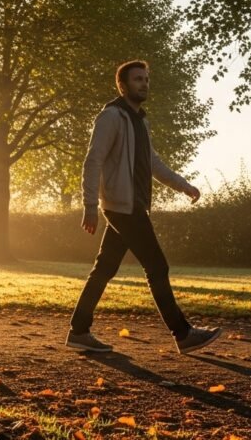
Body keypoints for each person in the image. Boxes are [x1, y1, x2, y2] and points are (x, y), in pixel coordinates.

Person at [66, 60, 222, 354]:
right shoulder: (111, 117)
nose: (144, 83)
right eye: (138, 79)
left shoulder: (140, 121)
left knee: (105, 268)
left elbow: (153, 163)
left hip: (133, 205)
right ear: (123, 85)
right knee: (157, 266)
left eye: (147, 79)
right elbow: (93, 160)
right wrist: (89, 205)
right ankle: (183, 333)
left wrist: (183, 185)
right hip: (121, 207)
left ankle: (79, 331)